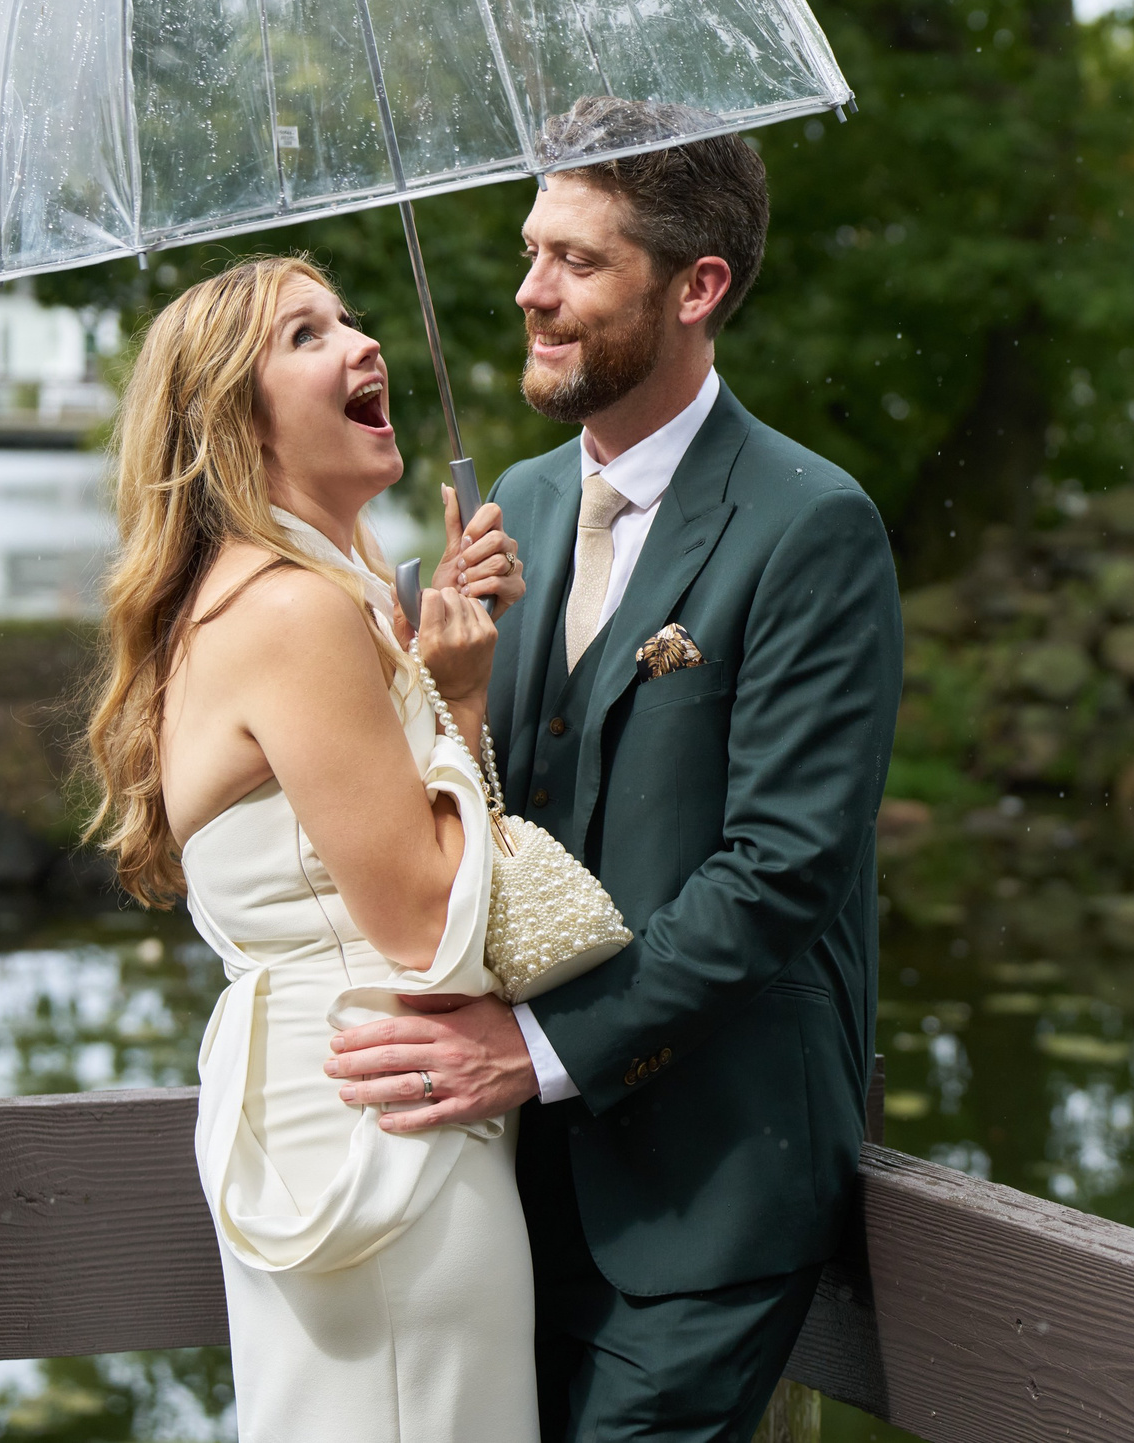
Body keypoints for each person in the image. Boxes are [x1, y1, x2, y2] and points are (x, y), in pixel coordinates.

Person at [327, 98, 907, 1443]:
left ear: (697, 284)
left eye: (577, 261)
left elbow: (781, 873)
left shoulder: (811, 525)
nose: (531, 290)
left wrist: (532, 1050)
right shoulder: (508, 510)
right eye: (534, 251)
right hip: (503, 1198)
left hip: (713, 1190)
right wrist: (446, 693)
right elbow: (462, 828)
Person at [81, 255, 535, 1442]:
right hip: (383, 1140)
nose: (362, 345)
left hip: (337, 1116)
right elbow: (428, 929)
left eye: (350, 318)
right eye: (305, 336)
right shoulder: (294, 612)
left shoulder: (300, 593)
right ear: (236, 420)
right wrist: (462, 700)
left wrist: (428, 674)